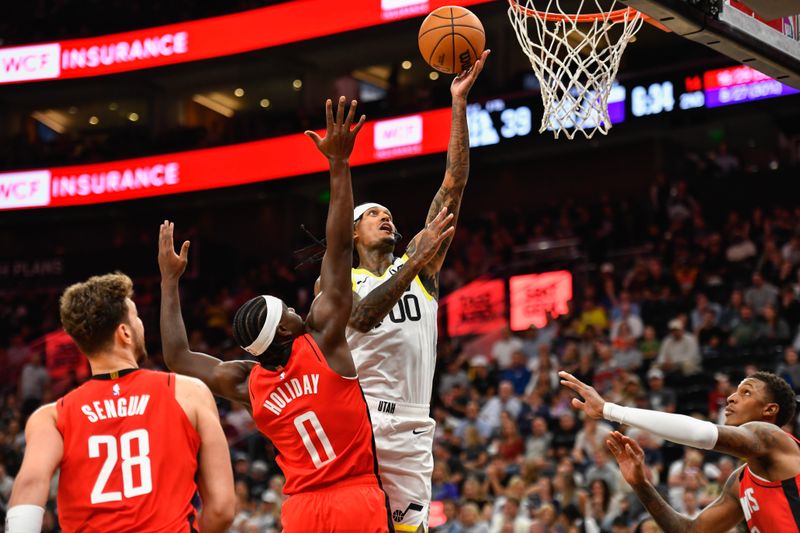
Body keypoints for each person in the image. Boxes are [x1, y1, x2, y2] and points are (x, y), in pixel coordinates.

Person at [158, 98, 451, 531]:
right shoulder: (324, 346)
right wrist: (339, 164)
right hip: (354, 496)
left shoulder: (247, 383)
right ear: (287, 330)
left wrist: (168, 283)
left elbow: (178, 357)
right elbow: (337, 247)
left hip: (300, 510)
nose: (300, 310)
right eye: (292, 312)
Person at [341, 50, 490, 532]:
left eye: (388, 213)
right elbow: (363, 317)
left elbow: (454, 183)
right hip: (360, 422)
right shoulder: (337, 281)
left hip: (411, 424)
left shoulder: (420, 269)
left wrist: (458, 103)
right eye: (371, 214)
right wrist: (412, 266)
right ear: (352, 235)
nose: (385, 217)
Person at [7, 273, 234, 533]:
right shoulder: (188, 392)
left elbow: (29, 485)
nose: (140, 324)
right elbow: (221, 509)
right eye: (136, 317)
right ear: (124, 333)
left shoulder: (52, 417)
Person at [559, 369, 800, 532]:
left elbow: (701, 434)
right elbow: (688, 531)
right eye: (735, 391)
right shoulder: (739, 482)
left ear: (769, 410)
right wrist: (641, 484)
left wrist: (609, 410)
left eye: (746, 392)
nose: (731, 398)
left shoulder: (774, 439)